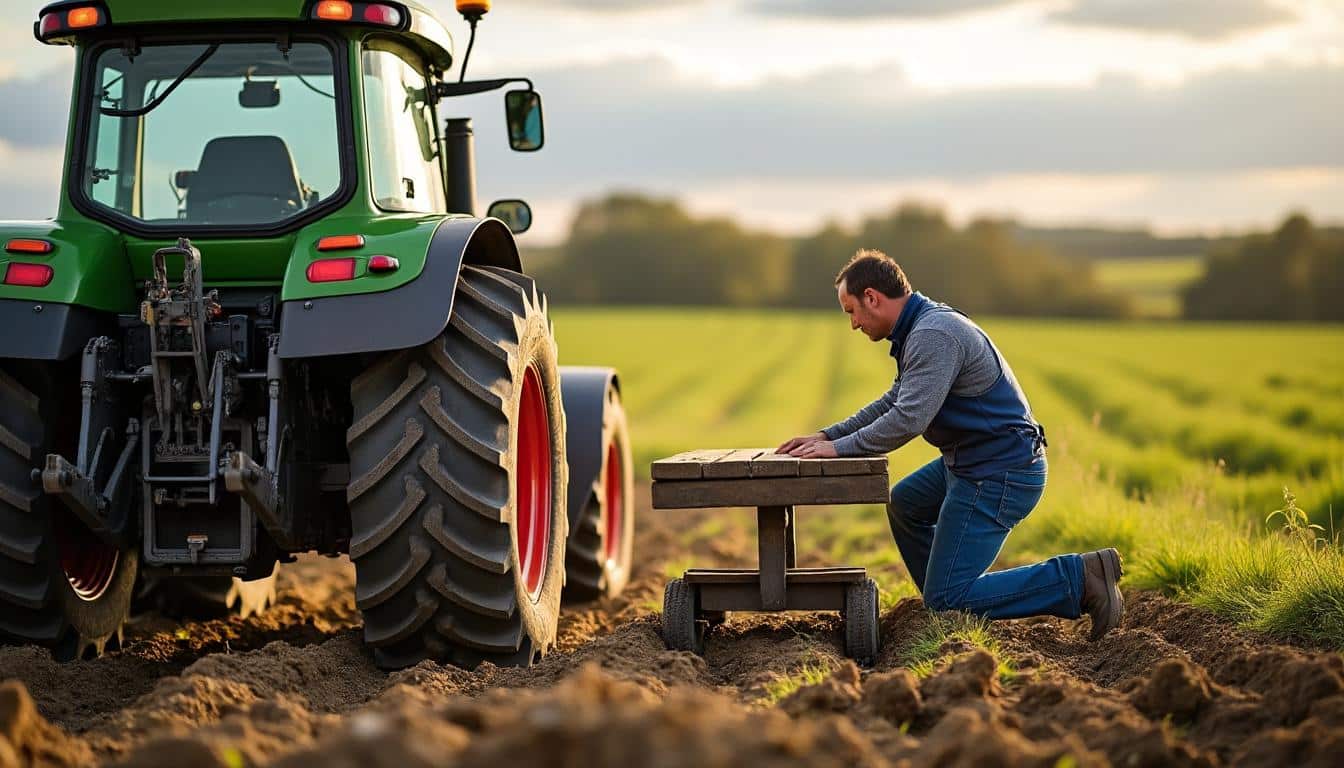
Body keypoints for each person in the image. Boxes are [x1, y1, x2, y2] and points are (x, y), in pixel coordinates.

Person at [777, 249, 1124, 639]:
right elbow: (895, 401)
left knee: (947, 597)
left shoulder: (934, 334)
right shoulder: (922, 327)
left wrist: (840, 449)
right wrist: (829, 435)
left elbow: (908, 419)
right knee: (906, 504)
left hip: (1000, 472)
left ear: (872, 297)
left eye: (851, 311)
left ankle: (1078, 577)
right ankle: (944, 601)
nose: (853, 323)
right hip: (973, 462)